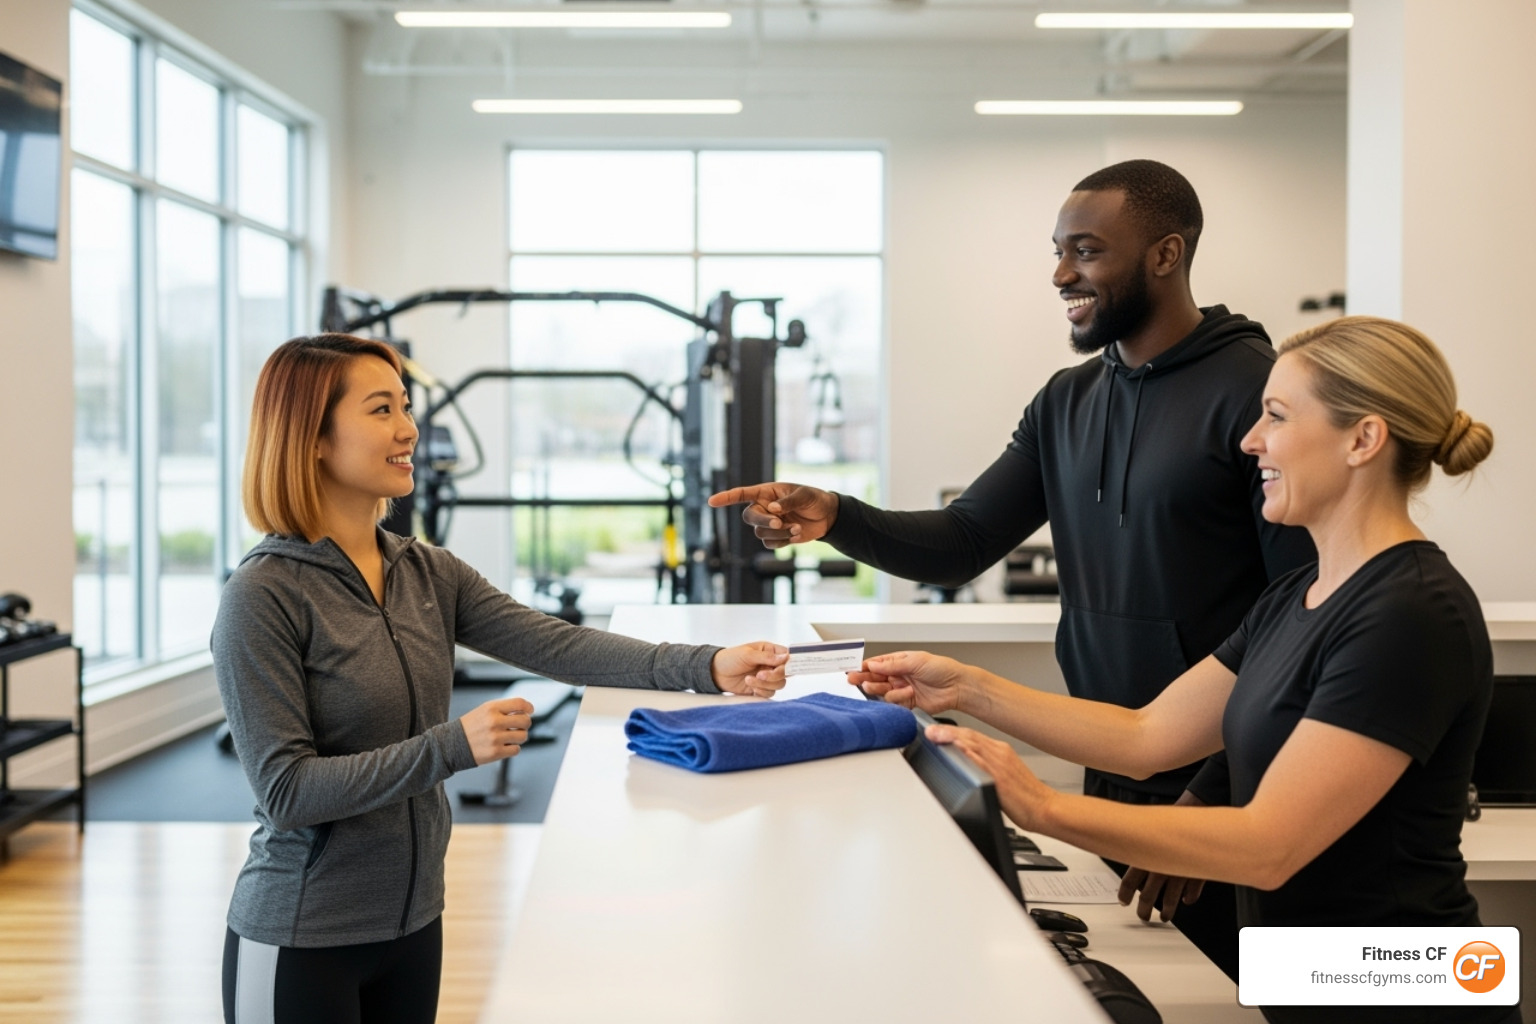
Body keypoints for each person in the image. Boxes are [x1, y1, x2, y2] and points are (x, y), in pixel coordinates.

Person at [710, 159, 1315, 977]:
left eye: (1088, 251)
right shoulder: (1068, 401)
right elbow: (963, 542)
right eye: (1059, 250)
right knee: (1145, 990)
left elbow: (1298, 616)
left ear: (1166, 255)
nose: (1062, 273)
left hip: (1227, 786)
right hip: (1110, 757)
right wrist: (837, 517)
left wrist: (1204, 801)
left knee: (1239, 996)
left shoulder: (1254, 394)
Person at [854, 316, 1516, 1024]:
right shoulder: (1296, 595)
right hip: (1311, 989)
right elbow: (1148, 736)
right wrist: (965, 687)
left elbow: (1268, 844)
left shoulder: (1411, 613)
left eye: (1277, 416)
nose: (1250, 440)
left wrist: (1041, 805)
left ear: (1363, 439)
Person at [213, 334, 788, 1024]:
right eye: (379, 410)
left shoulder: (426, 571)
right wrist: (452, 747)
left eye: (404, 406)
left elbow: (560, 645)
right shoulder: (264, 594)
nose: (408, 429)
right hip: (300, 936)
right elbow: (287, 790)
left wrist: (708, 666)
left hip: (413, 923)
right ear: (312, 438)